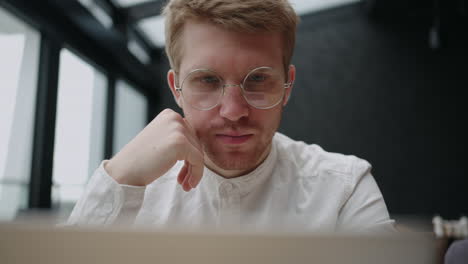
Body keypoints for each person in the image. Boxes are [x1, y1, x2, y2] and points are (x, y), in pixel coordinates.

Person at [68, 0, 394, 232]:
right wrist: (118, 179)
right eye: (207, 80)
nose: (234, 111)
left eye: (257, 79)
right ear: (176, 88)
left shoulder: (344, 189)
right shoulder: (132, 188)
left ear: (287, 86)